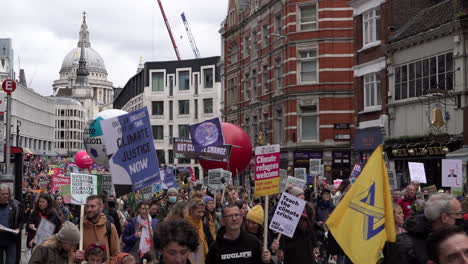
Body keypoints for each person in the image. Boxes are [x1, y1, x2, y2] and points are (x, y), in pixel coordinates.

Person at [388, 193, 464, 264]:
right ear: (444, 218)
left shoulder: (456, 236)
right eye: (458, 214)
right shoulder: (404, 247)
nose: (461, 217)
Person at [206, 203, 272, 264]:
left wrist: (267, 261)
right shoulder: (215, 247)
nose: (234, 219)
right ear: (222, 221)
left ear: (241, 219)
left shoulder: (253, 242)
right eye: (230, 216)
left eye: (236, 215)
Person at [77, 195, 120, 263]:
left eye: (93, 206)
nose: (89, 209)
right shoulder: (80, 227)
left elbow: (116, 254)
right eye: (87, 206)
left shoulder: (110, 227)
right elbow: (71, 252)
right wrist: (76, 256)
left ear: (101, 207)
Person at [184, 193, 213, 264]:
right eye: (199, 212)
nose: (201, 214)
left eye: (203, 212)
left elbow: (211, 243)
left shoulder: (204, 226)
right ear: (191, 211)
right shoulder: (184, 226)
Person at [0, 184, 23, 264]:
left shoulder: (15, 205)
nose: (5, 196)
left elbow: (21, 220)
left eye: (7, 193)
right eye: (3, 194)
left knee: (11, 262)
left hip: (11, 240)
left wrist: (19, 228)